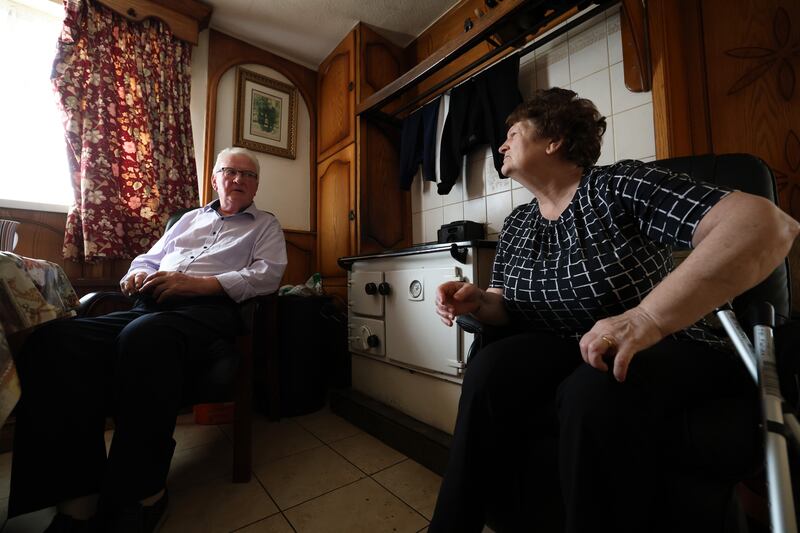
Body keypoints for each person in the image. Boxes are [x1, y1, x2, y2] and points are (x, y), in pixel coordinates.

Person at [429, 88, 800, 533]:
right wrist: (479, 301)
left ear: (555, 140)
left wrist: (644, 318)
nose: (501, 145)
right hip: (571, 347)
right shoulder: (518, 223)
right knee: (489, 368)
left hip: (669, 344)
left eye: (512, 134)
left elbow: (764, 225)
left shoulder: (617, 186)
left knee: (594, 389)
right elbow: (507, 304)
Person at [9, 147, 287, 533]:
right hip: (149, 306)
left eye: (248, 175)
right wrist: (134, 275)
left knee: (144, 339)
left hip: (207, 312)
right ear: (214, 178)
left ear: (256, 185)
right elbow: (150, 258)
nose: (238, 180)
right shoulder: (188, 220)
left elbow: (268, 275)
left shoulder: (265, 226)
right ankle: (78, 495)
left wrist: (199, 284)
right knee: (54, 339)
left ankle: (144, 492)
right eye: (230, 171)